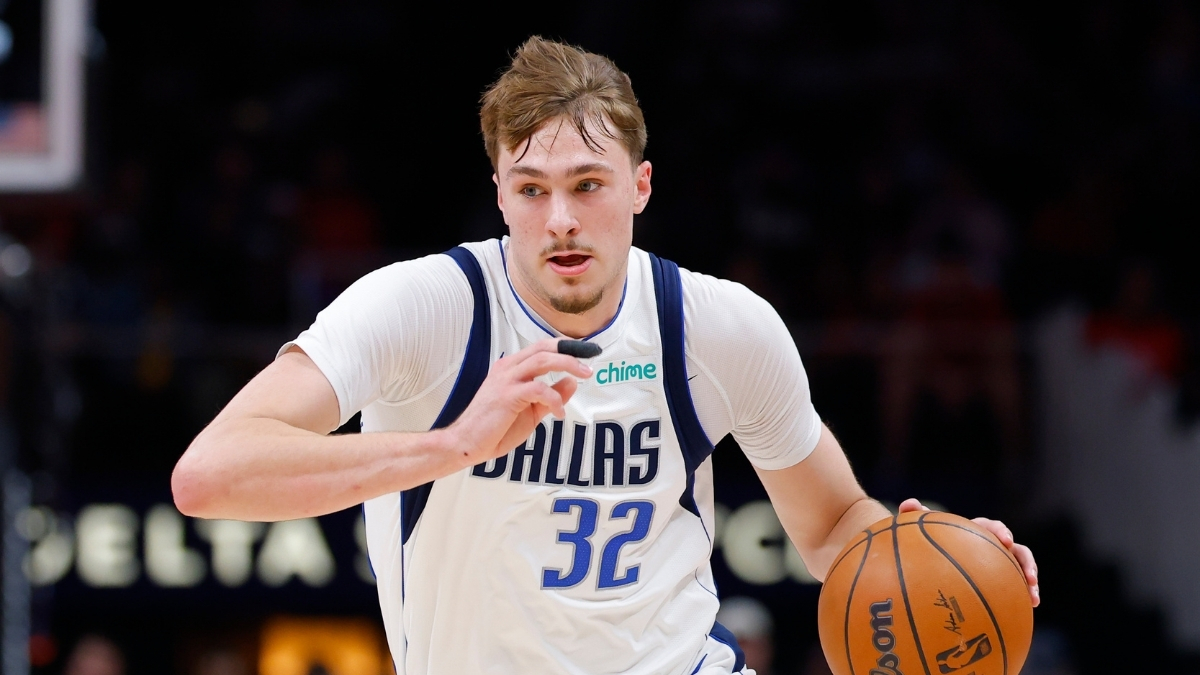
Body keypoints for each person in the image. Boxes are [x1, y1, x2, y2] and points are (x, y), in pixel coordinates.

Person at [172, 36, 1038, 675]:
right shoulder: (422, 310)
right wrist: (452, 446)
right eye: (533, 189)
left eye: (588, 184)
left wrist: (937, 550)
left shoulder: (718, 325)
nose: (561, 219)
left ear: (640, 185)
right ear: (500, 194)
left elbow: (831, 525)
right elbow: (208, 475)